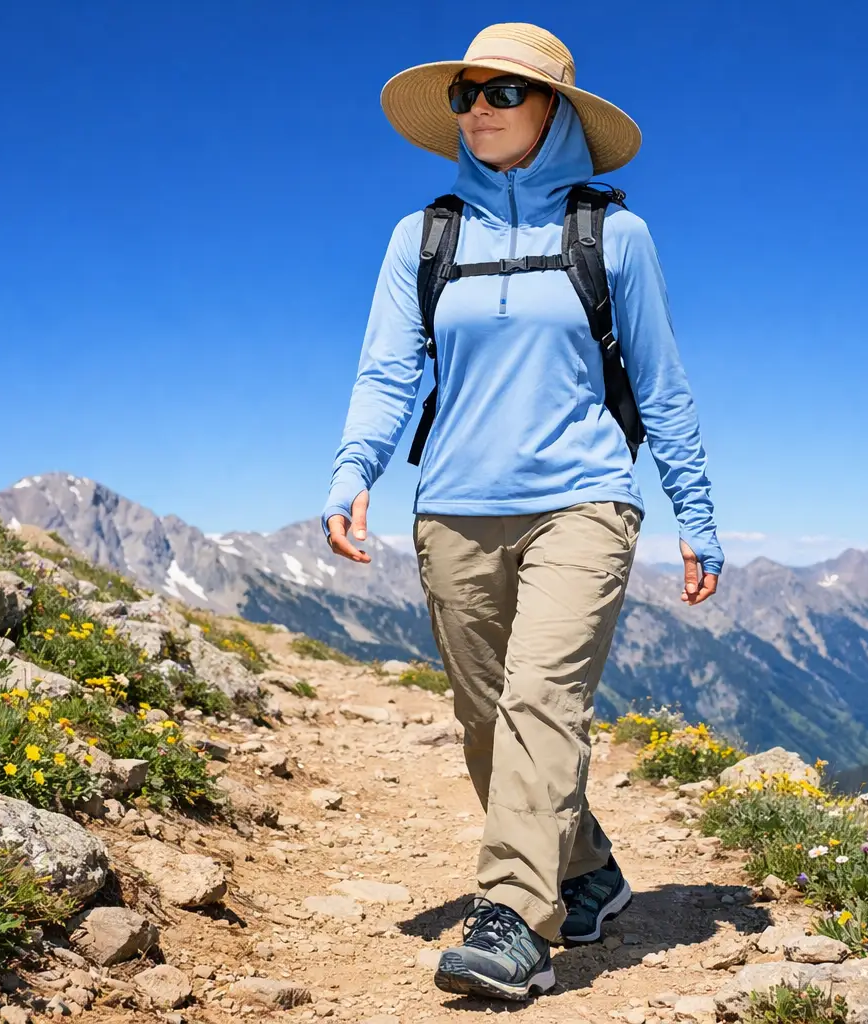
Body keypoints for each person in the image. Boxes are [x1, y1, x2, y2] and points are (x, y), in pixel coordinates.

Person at [322, 22, 722, 1002]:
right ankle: (586, 871)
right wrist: (352, 471)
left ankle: (512, 919)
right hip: (452, 508)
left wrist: (695, 517)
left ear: (555, 110)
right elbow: (386, 369)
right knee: (484, 720)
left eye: (504, 92)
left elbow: (663, 388)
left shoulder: (612, 236)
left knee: (542, 701)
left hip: (583, 502)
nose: (480, 110)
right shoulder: (423, 238)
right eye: (466, 94)